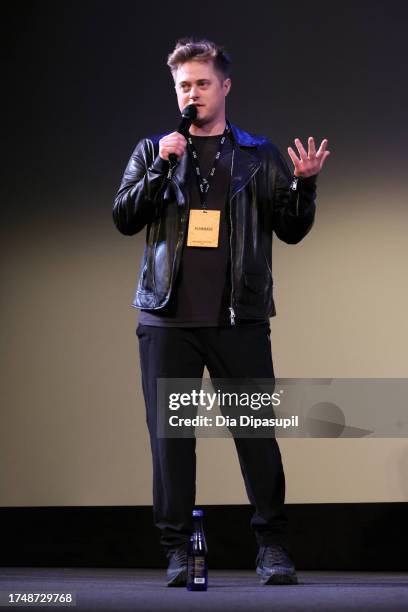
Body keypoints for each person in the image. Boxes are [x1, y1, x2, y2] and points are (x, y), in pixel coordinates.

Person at [112, 37, 330, 586]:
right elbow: (125, 217)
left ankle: (272, 547)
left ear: (224, 86)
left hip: (239, 319)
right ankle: (178, 551)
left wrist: (304, 186)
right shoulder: (152, 151)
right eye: (184, 85)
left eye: (202, 83)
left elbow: (291, 230)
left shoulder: (258, 155)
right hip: (167, 322)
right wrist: (163, 164)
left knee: (256, 434)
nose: (192, 94)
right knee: (171, 443)